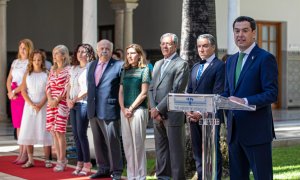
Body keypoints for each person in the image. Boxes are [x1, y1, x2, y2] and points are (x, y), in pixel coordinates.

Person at [222, 16, 278, 180]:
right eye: (237, 31)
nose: (240, 34)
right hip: (234, 133)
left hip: (257, 132)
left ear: (254, 33)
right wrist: (214, 101)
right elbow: (227, 92)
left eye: (245, 30)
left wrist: (245, 101)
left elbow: (271, 93)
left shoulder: (265, 58)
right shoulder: (231, 60)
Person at [148, 33, 189, 180]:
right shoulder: (158, 64)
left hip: (173, 114)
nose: (165, 46)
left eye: (169, 43)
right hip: (156, 115)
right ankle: (162, 177)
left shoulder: (181, 64)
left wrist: (158, 109)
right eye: (163, 43)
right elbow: (151, 88)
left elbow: (176, 91)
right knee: (161, 150)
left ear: (176, 46)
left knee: (176, 152)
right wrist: (154, 109)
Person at [185, 34, 224, 180]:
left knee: (212, 152)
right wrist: (188, 111)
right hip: (193, 118)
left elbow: (218, 93)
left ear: (213, 47)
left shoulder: (219, 66)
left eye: (205, 46)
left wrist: (201, 113)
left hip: (210, 117)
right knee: (198, 153)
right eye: (199, 46)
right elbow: (189, 91)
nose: (201, 49)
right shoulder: (195, 66)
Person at [87, 39, 123, 180]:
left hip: (110, 108)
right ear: (97, 50)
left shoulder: (119, 65)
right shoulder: (91, 65)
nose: (104, 50)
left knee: (112, 142)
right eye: (101, 48)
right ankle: (103, 168)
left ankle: (116, 171)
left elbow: (122, 88)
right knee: (98, 141)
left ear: (111, 51)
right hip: (93, 108)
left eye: (107, 48)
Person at [118, 44, 151, 180]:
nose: (130, 56)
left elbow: (144, 93)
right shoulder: (124, 70)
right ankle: (132, 175)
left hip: (139, 111)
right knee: (127, 144)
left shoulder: (145, 70)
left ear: (139, 55)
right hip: (124, 110)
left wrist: (131, 108)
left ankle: (141, 176)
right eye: (128, 54)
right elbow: (120, 91)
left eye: (132, 53)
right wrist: (123, 109)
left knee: (138, 144)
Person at [17, 49, 53, 168]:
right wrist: (32, 104)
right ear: (31, 61)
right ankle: (31, 159)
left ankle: (47, 160)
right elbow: (23, 90)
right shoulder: (27, 74)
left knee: (45, 132)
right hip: (29, 106)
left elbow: (49, 91)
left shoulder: (46, 73)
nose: (37, 62)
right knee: (29, 131)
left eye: (39, 59)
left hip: (43, 106)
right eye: (34, 59)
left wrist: (41, 104)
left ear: (42, 60)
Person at [67, 44, 96, 176]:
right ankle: (79, 162)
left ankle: (87, 163)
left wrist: (75, 99)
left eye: (83, 52)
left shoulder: (90, 68)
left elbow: (88, 88)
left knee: (81, 133)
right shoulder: (73, 68)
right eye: (78, 51)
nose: (80, 54)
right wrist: (68, 99)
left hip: (82, 103)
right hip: (72, 104)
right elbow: (69, 85)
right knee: (75, 135)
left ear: (89, 54)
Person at [6, 38, 34, 165]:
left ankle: (25, 153)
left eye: (25, 48)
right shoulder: (15, 62)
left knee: (24, 125)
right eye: (20, 47)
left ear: (29, 49)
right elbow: (8, 79)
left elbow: (25, 82)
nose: (22, 50)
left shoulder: (30, 62)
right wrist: (9, 92)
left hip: (23, 93)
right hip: (14, 95)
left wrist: (14, 92)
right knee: (17, 124)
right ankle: (20, 152)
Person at [46, 45, 71, 172]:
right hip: (51, 103)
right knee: (53, 132)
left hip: (61, 104)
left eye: (57, 53)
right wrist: (50, 99)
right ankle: (59, 159)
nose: (55, 56)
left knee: (60, 132)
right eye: (54, 53)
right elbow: (48, 86)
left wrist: (57, 100)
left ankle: (62, 160)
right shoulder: (52, 69)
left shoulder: (68, 70)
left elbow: (67, 87)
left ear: (64, 55)